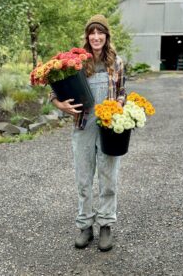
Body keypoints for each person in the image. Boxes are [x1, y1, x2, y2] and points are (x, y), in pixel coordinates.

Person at [50, 14, 126, 251]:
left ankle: (105, 225)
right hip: (83, 125)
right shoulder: (76, 62)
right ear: (87, 36)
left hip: (108, 127)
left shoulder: (117, 63)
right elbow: (55, 88)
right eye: (91, 33)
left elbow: (123, 91)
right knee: (83, 178)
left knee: (108, 177)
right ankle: (85, 226)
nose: (95, 37)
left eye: (100, 32)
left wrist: (120, 106)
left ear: (106, 35)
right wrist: (59, 104)